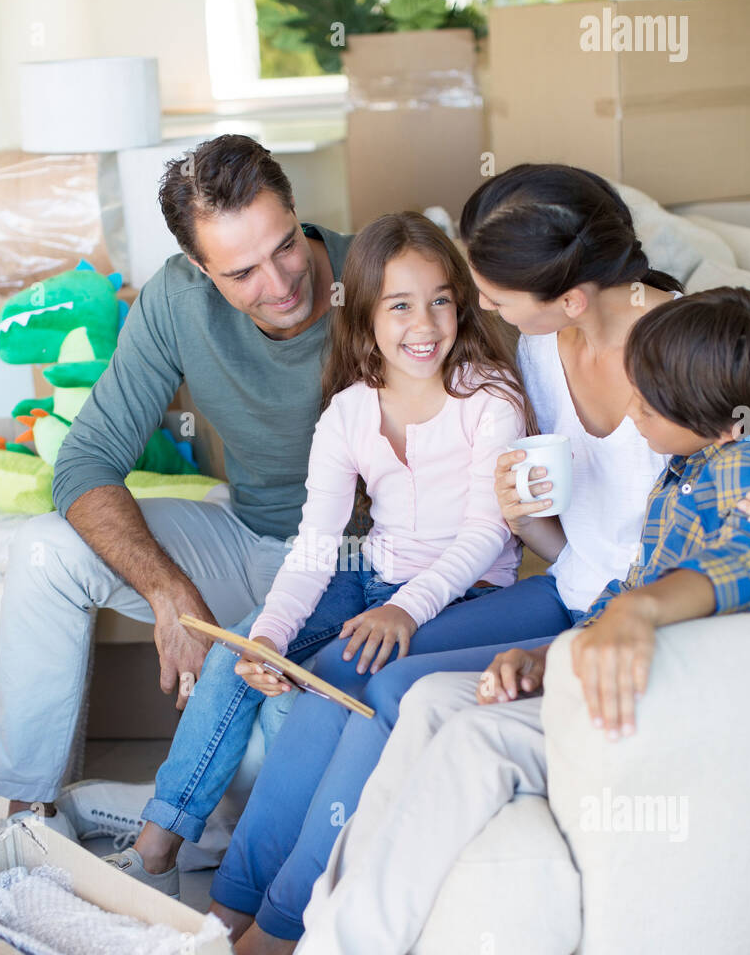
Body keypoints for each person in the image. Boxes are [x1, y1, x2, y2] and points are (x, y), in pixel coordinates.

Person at [141, 285, 750, 955]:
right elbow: (621, 581)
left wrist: (639, 611)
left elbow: (742, 563)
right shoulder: (688, 466)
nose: (634, 413)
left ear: (729, 420)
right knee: (429, 699)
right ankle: (288, 952)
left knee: (456, 727)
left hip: (656, 702)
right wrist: (544, 658)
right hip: (586, 657)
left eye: (654, 401)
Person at [195, 163, 686, 955]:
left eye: (487, 293)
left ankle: (278, 932)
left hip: (621, 612)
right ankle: (229, 904)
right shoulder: (541, 346)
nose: (479, 309)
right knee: (334, 671)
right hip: (566, 583)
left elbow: (710, 522)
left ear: (568, 296)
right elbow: (560, 534)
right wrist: (530, 520)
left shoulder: (685, 356)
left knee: (391, 688)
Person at [108, 212, 534, 897]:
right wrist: (271, 638)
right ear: (365, 314)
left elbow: (487, 533)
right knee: (240, 649)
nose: (423, 326)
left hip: (465, 594)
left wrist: (403, 609)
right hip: (372, 574)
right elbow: (315, 548)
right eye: (399, 306)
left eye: (440, 301)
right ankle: (158, 844)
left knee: (335, 678)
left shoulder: (489, 398)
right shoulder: (348, 413)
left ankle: (269, 887)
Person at [0, 135, 354, 830]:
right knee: (42, 549)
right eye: (241, 272)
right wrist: (168, 591)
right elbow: (85, 461)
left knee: (265, 793)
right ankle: (28, 825)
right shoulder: (175, 302)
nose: (279, 285)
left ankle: (159, 824)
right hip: (247, 542)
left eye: (285, 247)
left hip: (358, 574)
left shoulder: (378, 279)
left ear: (296, 211)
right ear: (198, 267)